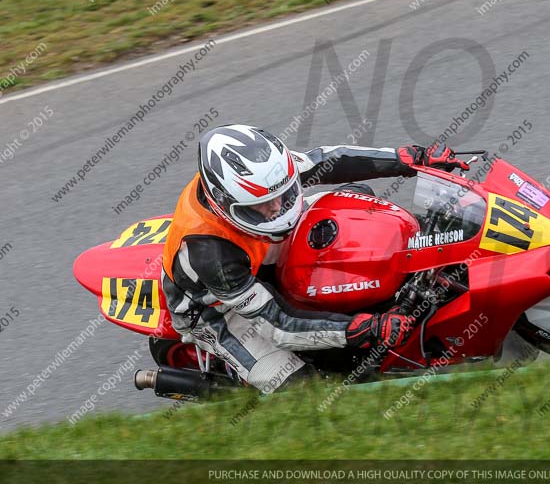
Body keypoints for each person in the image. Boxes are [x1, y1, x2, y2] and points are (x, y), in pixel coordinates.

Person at [161, 124, 468, 393]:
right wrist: (364, 329)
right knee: (302, 390)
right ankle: (237, 372)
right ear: (223, 203)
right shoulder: (211, 253)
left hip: (257, 244)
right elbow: (277, 324)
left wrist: (409, 159)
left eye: (282, 194)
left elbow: (331, 160)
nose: (278, 207)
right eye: (264, 204)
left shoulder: (265, 178)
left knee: (359, 201)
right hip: (216, 310)